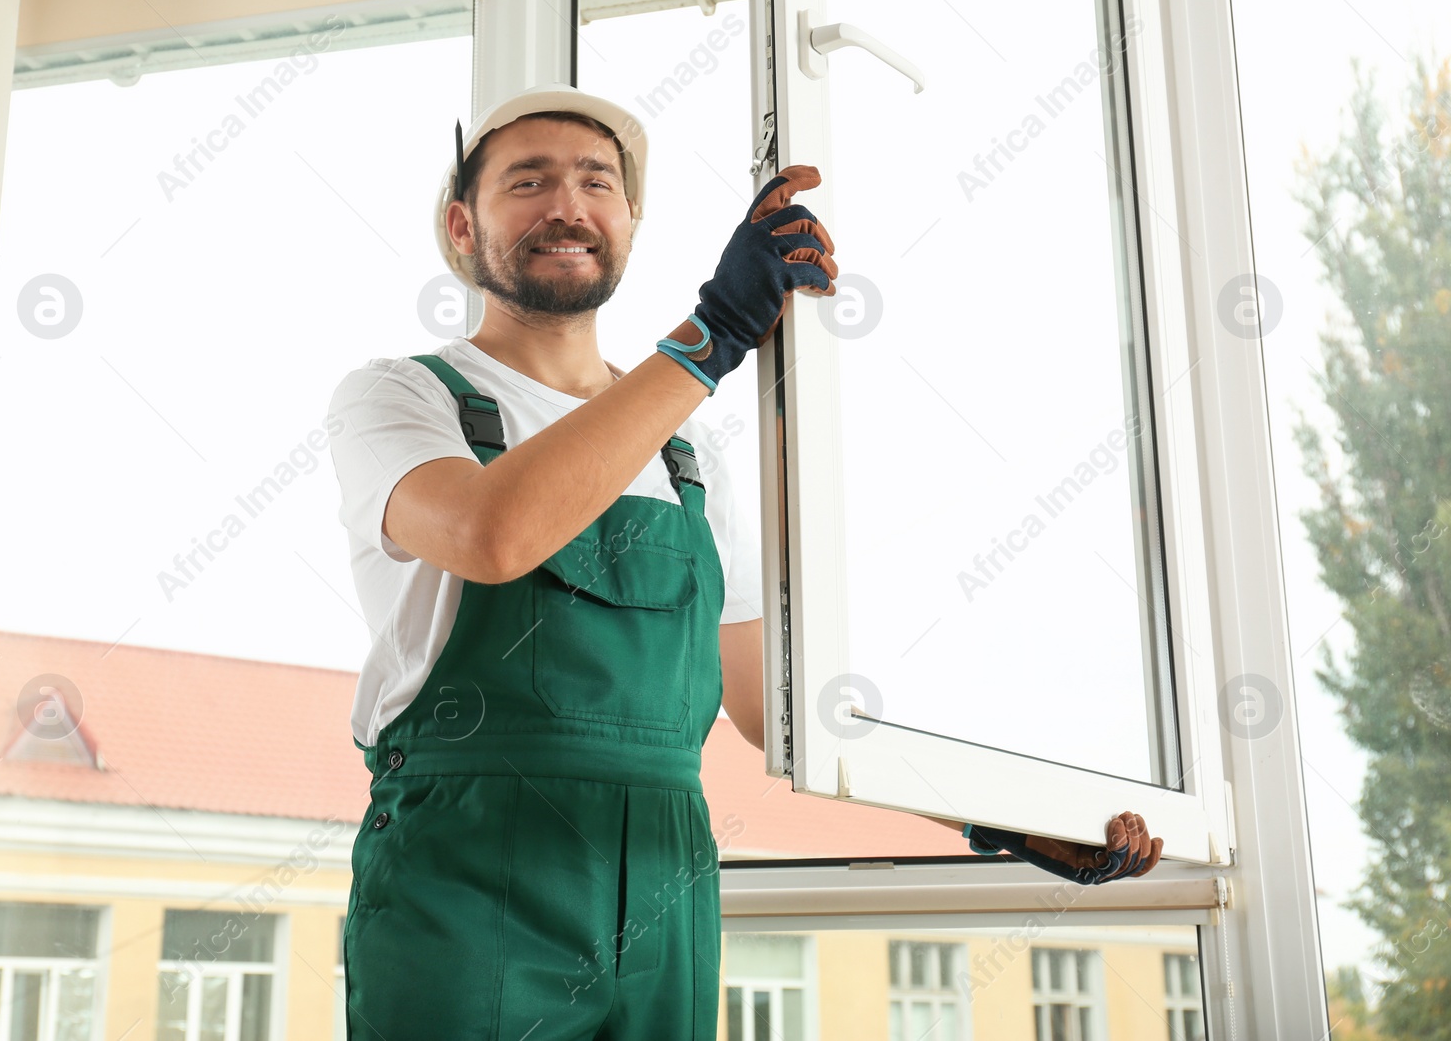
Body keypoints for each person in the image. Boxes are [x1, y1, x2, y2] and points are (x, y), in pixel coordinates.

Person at [325, 82, 1161, 1041]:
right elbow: (492, 534)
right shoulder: (403, 398)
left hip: (666, 897)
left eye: (598, 181)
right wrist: (711, 336)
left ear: (630, 222)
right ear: (462, 227)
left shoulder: (687, 458)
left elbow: (779, 714)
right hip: (468, 879)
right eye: (530, 181)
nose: (568, 206)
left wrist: (1001, 816)